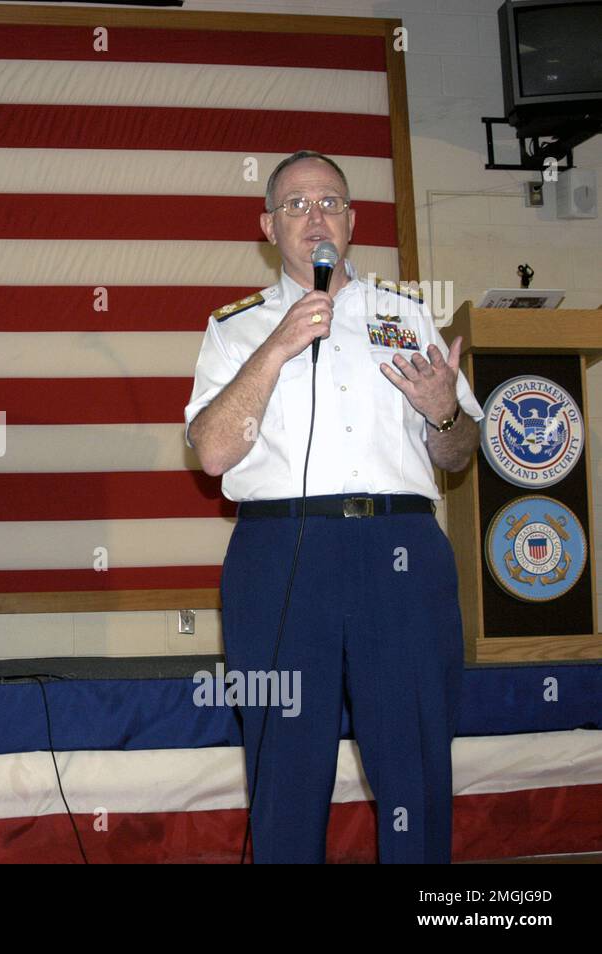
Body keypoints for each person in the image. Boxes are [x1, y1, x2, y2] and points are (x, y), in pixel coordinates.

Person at [184, 151, 482, 863]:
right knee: (285, 765)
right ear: (268, 226)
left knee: (414, 758)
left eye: (330, 202)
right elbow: (214, 454)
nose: (316, 216)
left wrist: (445, 413)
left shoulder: (408, 318)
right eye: (296, 204)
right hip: (281, 556)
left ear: (351, 220)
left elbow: (458, 454)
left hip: (400, 556)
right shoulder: (236, 328)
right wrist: (279, 345)